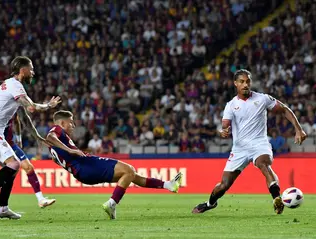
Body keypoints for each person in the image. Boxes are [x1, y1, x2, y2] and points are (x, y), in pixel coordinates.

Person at [192, 69, 307, 215]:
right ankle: (210, 203)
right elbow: (225, 126)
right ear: (235, 84)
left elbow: (284, 109)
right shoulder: (231, 105)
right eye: (242, 82)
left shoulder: (262, 99)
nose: (245, 84)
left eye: (248, 81)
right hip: (239, 148)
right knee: (224, 185)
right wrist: (224, 131)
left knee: (263, 164)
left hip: (260, 144)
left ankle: (277, 199)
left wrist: (298, 129)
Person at [46, 110, 183, 220]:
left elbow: (55, 157)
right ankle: (112, 203)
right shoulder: (57, 129)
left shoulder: (53, 149)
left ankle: (168, 185)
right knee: (129, 170)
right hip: (87, 165)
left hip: (82, 172)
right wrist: (70, 150)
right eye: (71, 122)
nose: (73, 125)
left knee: (131, 175)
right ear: (62, 123)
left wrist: (69, 152)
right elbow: (50, 136)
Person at [0, 56, 61, 219]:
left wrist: (37, 136)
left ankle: (3, 208)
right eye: (31, 69)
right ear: (23, 70)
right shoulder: (15, 86)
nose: (33, 72)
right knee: (14, 164)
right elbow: (31, 107)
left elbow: (26, 115)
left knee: (12, 169)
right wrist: (48, 106)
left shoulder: (12, 86)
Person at [0, 108, 55, 210]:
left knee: (28, 167)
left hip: (9, 143)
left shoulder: (14, 107)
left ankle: (40, 199)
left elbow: (17, 121)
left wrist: (18, 139)